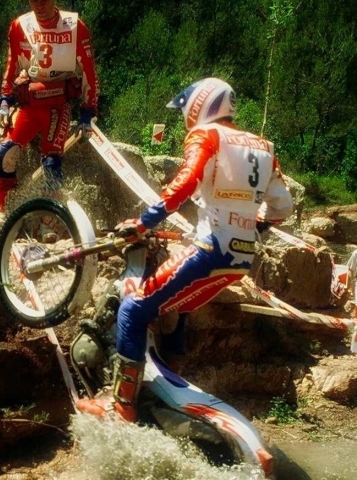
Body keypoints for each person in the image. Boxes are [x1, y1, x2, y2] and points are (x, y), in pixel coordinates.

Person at [77, 77, 294, 422]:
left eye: (185, 112)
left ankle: (120, 407)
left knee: (133, 310)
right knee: (180, 305)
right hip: (241, 258)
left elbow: (186, 181)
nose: (184, 121)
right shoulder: (264, 147)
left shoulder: (205, 135)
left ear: (200, 105)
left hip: (210, 250)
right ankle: (169, 380)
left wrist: (144, 222)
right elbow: (283, 206)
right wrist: (251, 225)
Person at [0, 0, 99, 236]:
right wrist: (5, 102)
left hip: (58, 104)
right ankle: (5, 216)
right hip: (30, 103)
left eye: (44, 0)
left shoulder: (75, 26)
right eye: (34, 0)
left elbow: (89, 71)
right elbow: (12, 65)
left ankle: (48, 223)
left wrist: (88, 112)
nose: (40, 6)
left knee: (51, 164)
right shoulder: (20, 25)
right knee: (4, 154)